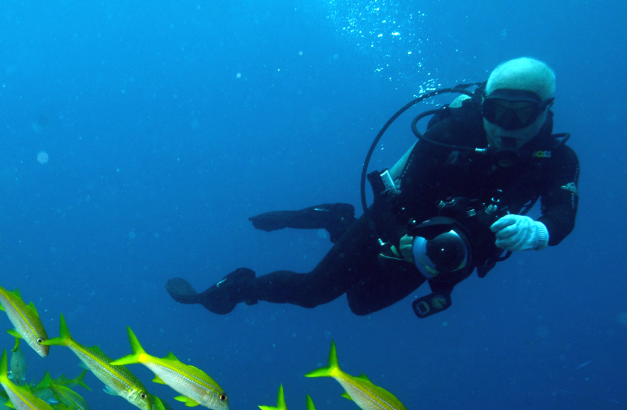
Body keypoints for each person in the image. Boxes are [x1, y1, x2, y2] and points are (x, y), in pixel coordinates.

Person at [166, 57, 580, 318]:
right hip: (397, 222)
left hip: (445, 250)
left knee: (360, 304)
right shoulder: (452, 133)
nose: (506, 127)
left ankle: (338, 220)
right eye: (496, 111)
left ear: (546, 111)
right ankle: (238, 287)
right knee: (314, 293)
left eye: (521, 114)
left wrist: (541, 231)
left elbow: (563, 212)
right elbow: (402, 196)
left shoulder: (559, 160)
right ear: (483, 105)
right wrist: (401, 240)